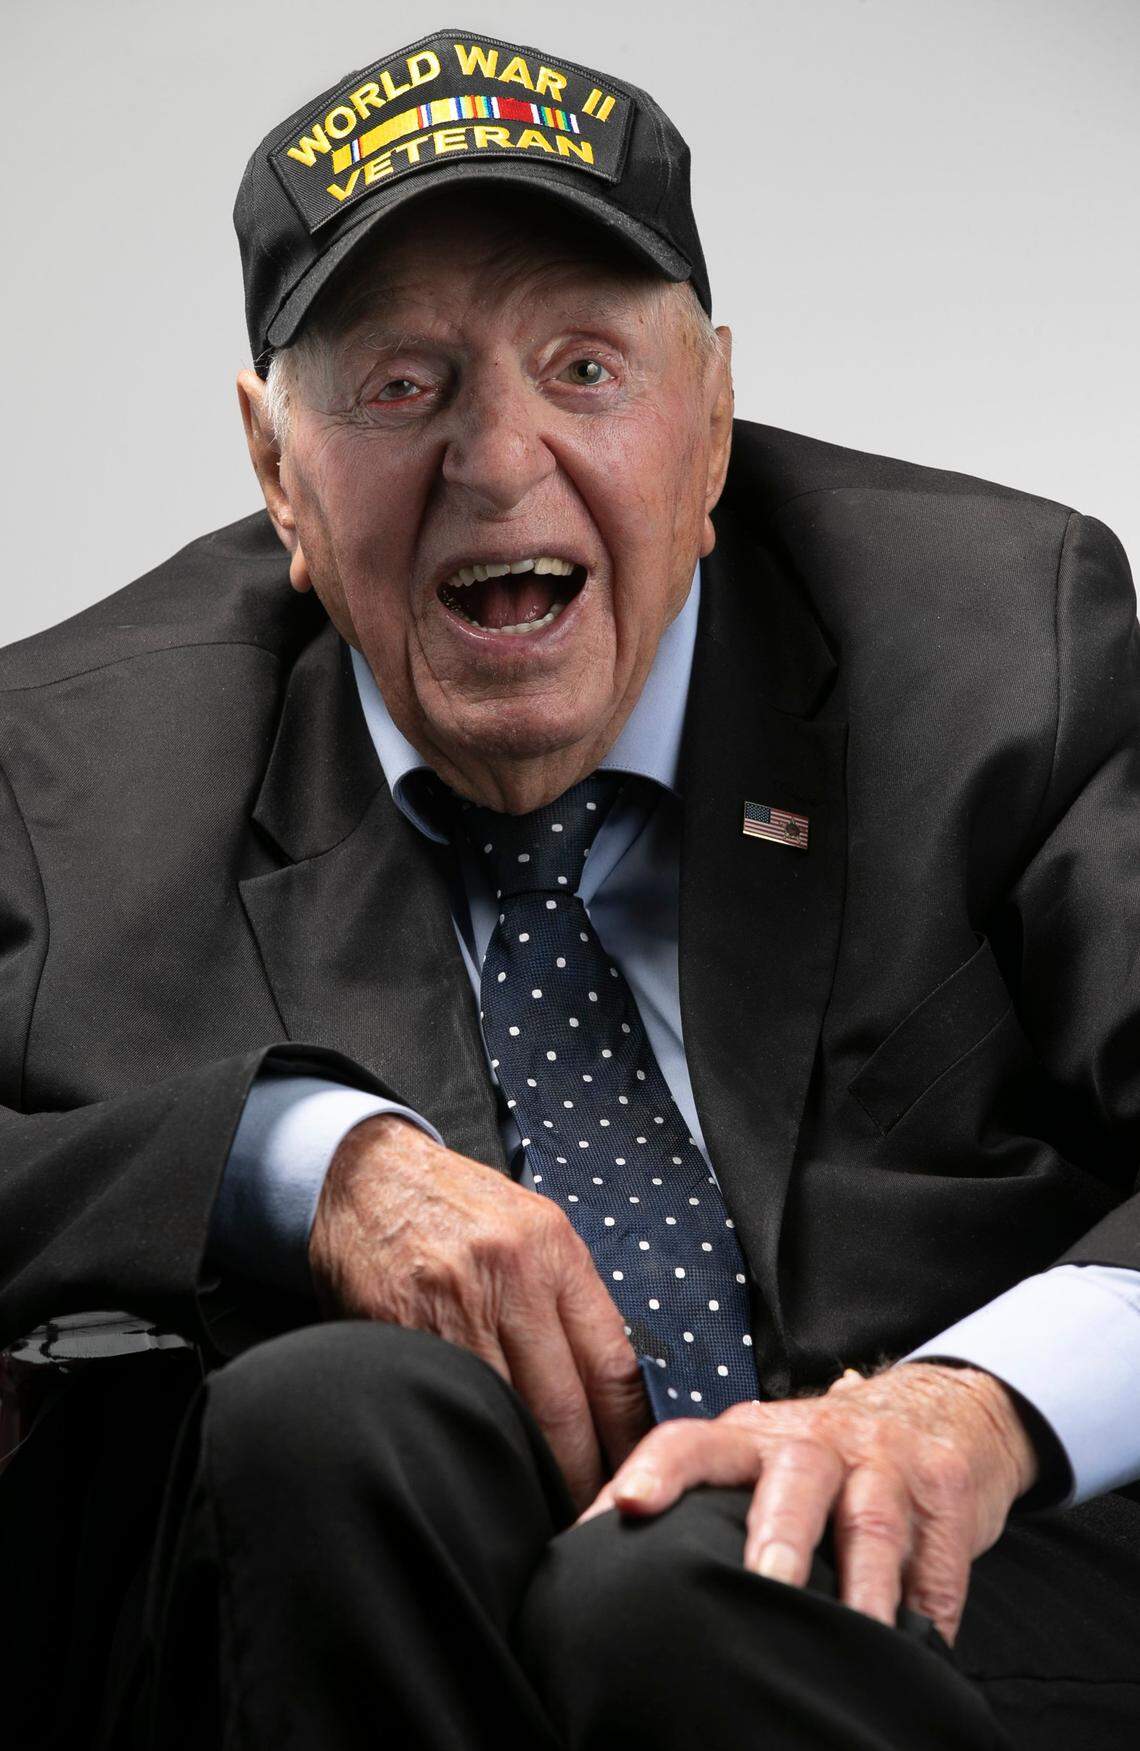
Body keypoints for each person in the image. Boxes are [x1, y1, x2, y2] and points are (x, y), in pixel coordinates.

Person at [2, 25, 1139, 1750]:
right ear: (273, 470)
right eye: (403, 384)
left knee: (673, 1598)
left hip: (950, 1609)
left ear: (714, 419)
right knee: (327, 1414)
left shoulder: (1002, 640)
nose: (498, 457)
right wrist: (294, 1164)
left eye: (585, 369)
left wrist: (971, 1412)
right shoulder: (72, 767)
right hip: (372, 1613)